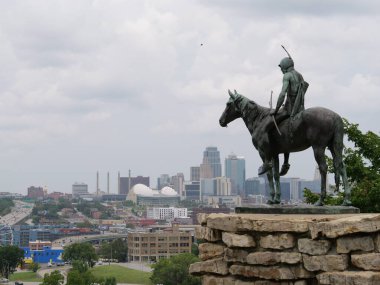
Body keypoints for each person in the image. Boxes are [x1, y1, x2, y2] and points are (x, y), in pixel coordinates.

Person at [257, 56, 308, 176]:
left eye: (281, 67)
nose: (281, 69)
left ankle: (267, 161)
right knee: (283, 132)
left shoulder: (287, 76)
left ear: (285, 65)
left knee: (264, 128)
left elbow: (282, 94)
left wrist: (275, 110)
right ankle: (285, 163)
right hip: (300, 109)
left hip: (288, 109)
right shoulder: (300, 75)